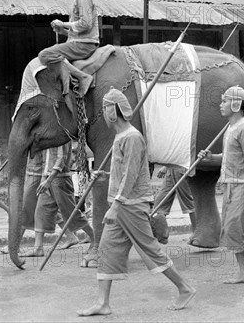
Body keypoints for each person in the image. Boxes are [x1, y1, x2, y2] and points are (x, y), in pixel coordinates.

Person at [78, 88, 196, 316]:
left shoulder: (132, 137)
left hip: (131, 206)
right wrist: (104, 177)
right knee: (106, 250)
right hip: (122, 205)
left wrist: (115, 205)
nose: (103, 112)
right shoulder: (122, 136)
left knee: (151, 250)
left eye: (105, 107)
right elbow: (124, 173)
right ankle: (103, 303)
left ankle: (185, 288)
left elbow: (131, 175)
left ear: (113, 111)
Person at [198, 86, 244, 284]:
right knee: (231, 231)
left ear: (236, 104)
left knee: (234, 229)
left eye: (224, 101)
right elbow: (229, 157)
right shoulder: (230, 128)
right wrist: (211, 157)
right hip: (228, 184)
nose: (221, 105)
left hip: (243, 186)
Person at [23, 142, 94, 257]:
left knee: (71, 213)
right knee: (41, 211)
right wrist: (44, 179)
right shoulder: (49, 135)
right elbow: (47, 160)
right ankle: (38, 248)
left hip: (60, 179)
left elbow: (61, 158)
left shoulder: (60, 133)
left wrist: (49, 179)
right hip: (47, 178)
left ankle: (94, 238)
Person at [38, 0, 98, 97]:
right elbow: (81, 31)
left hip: (84, 45)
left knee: (45, 55)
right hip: (81, 42)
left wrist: (63, 23)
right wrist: (63, 31)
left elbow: (85, 24)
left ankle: (83, 77)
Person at [151, 165, 196, 244]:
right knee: (161, 201)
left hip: (181, 168)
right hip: (171, 169)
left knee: (188, 201)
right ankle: (161, 234)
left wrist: (166, 166)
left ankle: (197, 234)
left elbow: (178, 152)